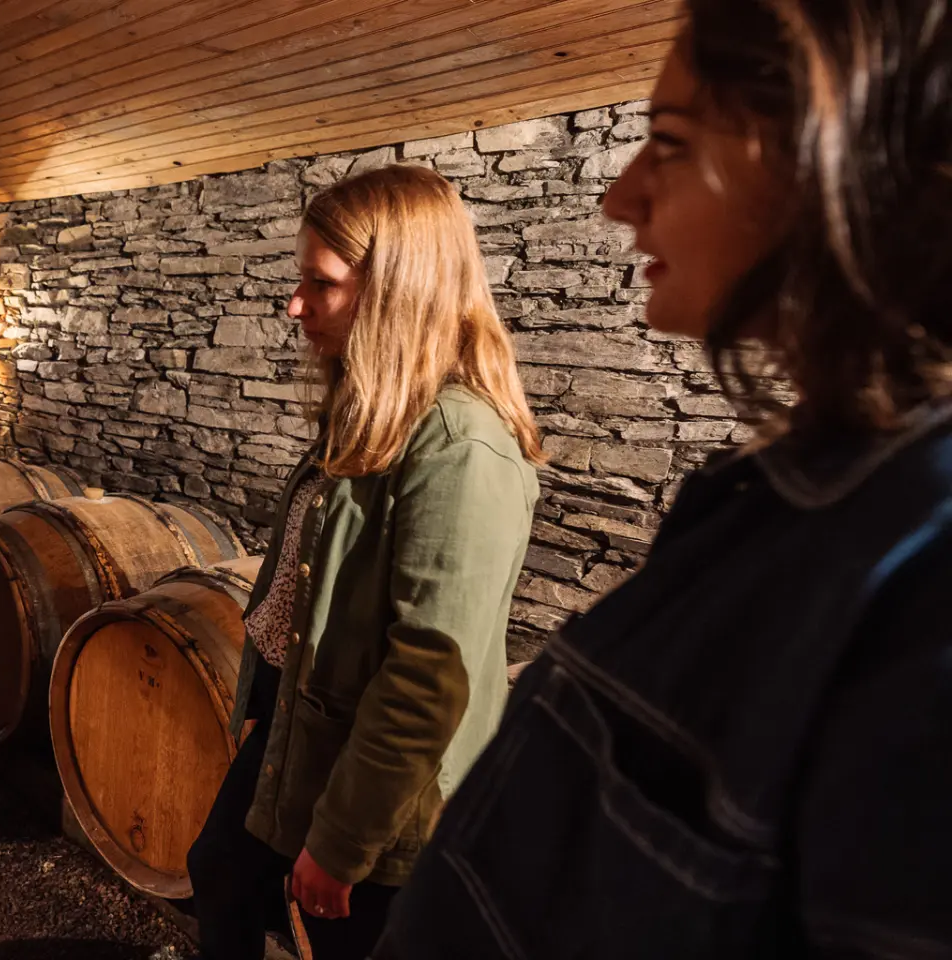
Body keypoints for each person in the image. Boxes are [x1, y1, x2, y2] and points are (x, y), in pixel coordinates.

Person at [377, 2, 952, 955]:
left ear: (843, 156)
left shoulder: (923, 575)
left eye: (672, 144)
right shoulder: (789, 493)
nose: (621, 196)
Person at [185, 164, 544, 960]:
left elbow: (426, 673)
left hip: (384, 784)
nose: (295, 305)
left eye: (321, 283)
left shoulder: (460, 446)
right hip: (305, 728)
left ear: (396, 288)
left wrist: (342, 843)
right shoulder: (377, 406)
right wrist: (264, 697)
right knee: (222, 872)